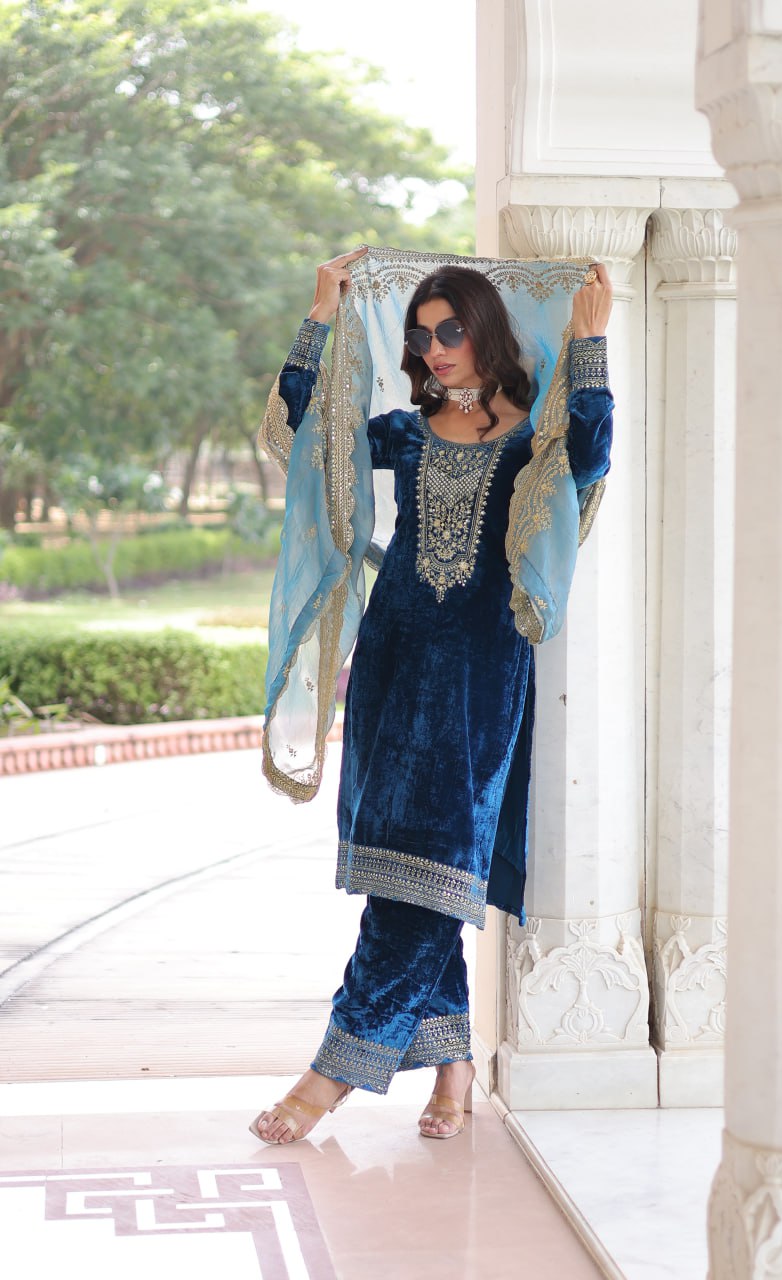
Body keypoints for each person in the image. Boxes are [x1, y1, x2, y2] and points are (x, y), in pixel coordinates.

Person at [250, 247, 614, 1143]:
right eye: (420, 337)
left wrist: (589, 345)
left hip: (479, 682)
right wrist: (319, 316)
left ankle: (330, 1073)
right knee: (407, 871)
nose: (435, 348)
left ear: (484, 330)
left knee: (431, 869)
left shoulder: (534, 438)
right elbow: (297, 434)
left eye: (450, 330)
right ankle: (453, 1066)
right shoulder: (406, 433)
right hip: (394, 665)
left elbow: (591, 453)